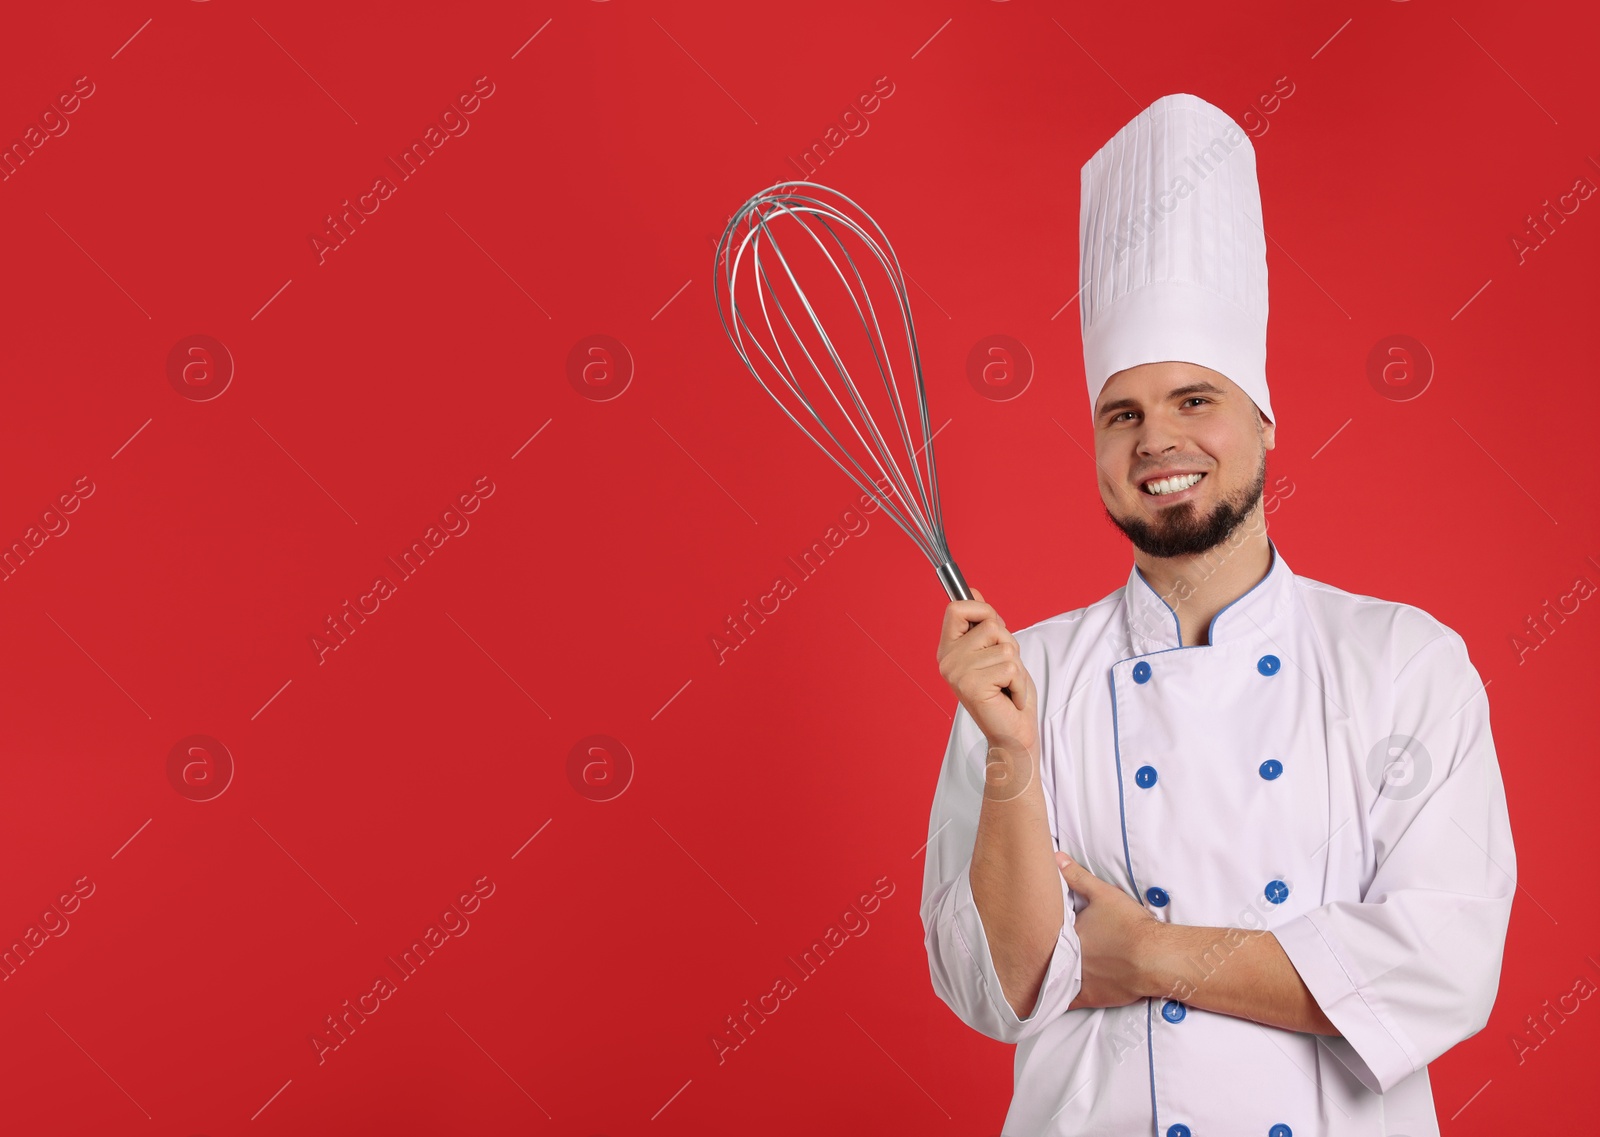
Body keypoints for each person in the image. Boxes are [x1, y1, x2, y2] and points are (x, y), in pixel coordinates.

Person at [919, 93, 1516, 1137]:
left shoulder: (1402, 664)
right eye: (1124, 414)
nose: (1158, 441)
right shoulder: (1024, 680)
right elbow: (997, 988)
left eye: (1195, 400)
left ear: (1264, 420)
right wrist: (1011, 760)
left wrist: (1144, 953)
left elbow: (1443, 964)